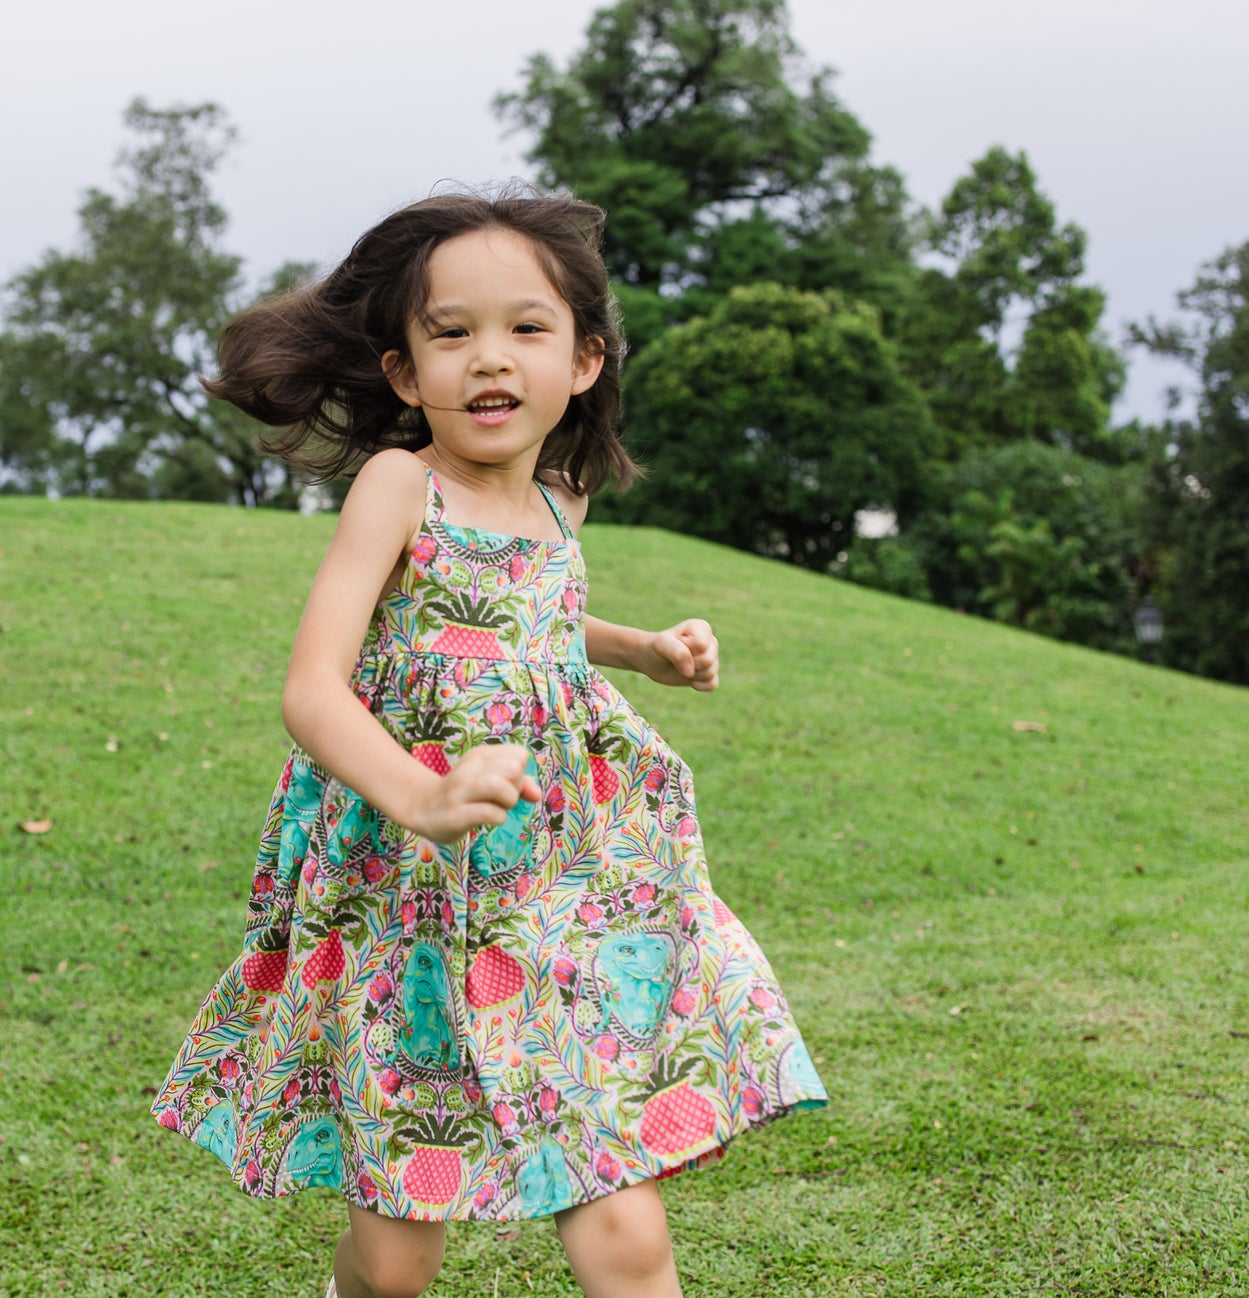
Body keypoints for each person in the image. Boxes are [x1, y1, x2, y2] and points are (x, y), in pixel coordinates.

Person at [148, 182, 829, 1298]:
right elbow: (313, 688)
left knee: (624, 1226)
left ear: (585, 361)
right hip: (405, 890)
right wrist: (416, 796)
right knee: (394, 1263)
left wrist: (640, 648)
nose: (490, 358)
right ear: (404, 373)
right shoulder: (397, 486)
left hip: (562, 884)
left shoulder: (563, 502)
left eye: (526, 328)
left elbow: (529, 626)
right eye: (452, 333)